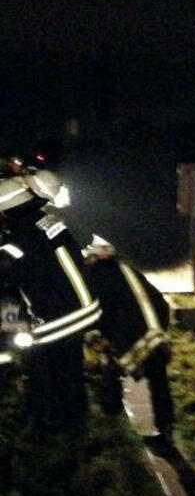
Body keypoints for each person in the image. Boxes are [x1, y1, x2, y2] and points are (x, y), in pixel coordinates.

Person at [0, 174, 101, 429]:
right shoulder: (47, 222)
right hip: (84, 308)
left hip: (56, 318)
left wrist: (11, 325)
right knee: (70, 370)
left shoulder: (17, 239)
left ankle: (48, 422)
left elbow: (7, 279)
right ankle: (76, 421)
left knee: (44, 370)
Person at [82, 235, 175, 443]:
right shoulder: (128, 270)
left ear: (95, 257)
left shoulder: (94, 276)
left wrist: (101, 339)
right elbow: (161, 302)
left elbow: (98, 312)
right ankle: (166, 429)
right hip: (155, 335)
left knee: (109, 373)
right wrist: (160, 331)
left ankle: (114, 424)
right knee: (159, 383)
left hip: (127, 338)